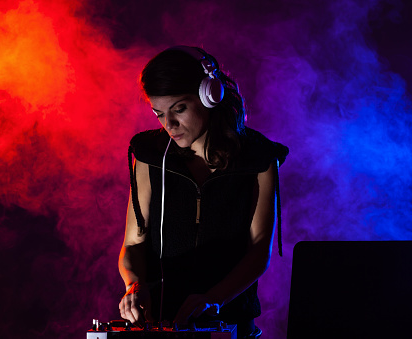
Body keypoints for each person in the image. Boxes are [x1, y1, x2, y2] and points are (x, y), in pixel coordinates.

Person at [118, 45, 288, 339]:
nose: (169, 125)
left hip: (232, 321)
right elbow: (133, 243)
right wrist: (134, 285)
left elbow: (259, 250)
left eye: (179, 109)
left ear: (209, 95)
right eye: (158, 113)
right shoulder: (149, 155)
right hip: (163, 321)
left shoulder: (258, 156)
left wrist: (214, 299)